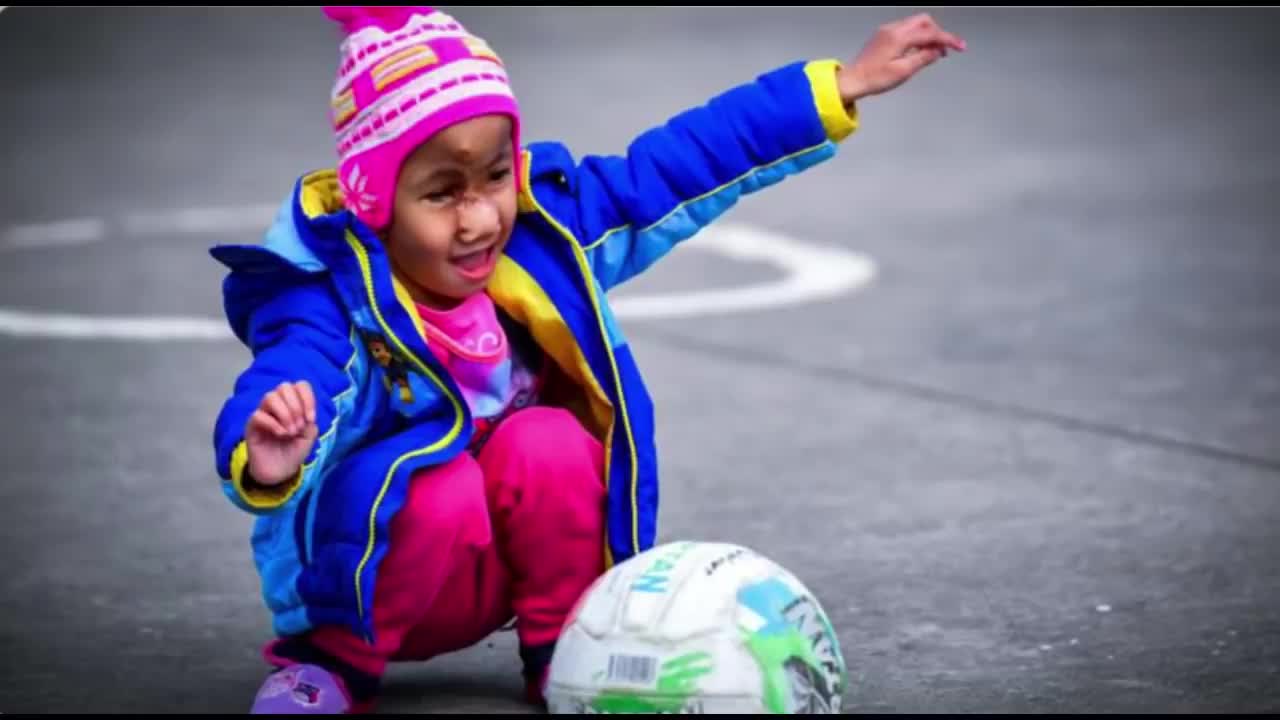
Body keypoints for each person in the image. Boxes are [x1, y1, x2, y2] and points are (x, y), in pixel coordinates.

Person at [208, 5, 964, 714]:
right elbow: (293, 370)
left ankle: (565, 650)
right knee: (439, 485)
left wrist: (841, 85)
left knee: (552, 443)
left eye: (496, 176)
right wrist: (268, 451)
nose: (480, 219)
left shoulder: (543, 234)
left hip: (500, 563)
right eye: (442, 194)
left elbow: (678, 164)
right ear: (373, 199)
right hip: (373, 574)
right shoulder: (327, 292)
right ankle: (329, 663)